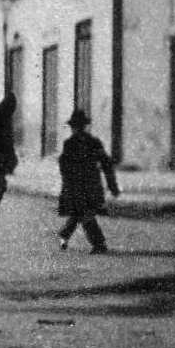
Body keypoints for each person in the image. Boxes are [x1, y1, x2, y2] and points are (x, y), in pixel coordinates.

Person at [57, 108, 120, 254]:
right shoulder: (85, 142)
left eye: (77, 126)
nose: (76, 129)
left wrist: (112, 185)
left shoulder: (77, 143)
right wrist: (112, 185)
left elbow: (105, 163)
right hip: (84, 185)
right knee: (84, 214)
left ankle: (68, 235)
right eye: (75, 127)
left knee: (82, 213)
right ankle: (96, 243)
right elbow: (106, 163)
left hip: (82, 185)